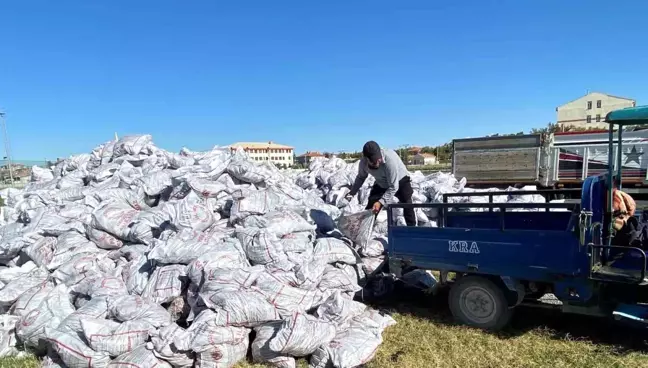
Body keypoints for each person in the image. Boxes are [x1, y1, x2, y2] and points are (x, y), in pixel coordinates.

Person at [345, 141, 416, 226]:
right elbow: (361, 177)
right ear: (366, 159)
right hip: (381, 181)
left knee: (407, 202)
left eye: (379, 158)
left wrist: (381, 202)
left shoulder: (389, 160)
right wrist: (352, 192)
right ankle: (364, 228)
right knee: (372, 203)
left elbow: (393, 186)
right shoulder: (363, 163)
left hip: (400, 180)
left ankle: (412, 229)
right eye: (374, 161)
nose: (378, 161)